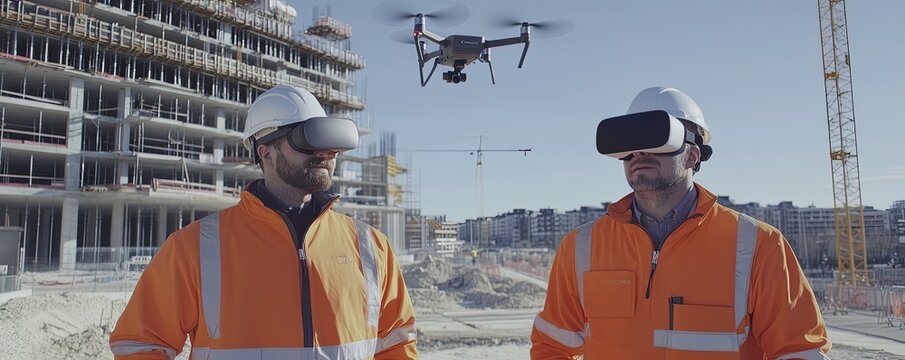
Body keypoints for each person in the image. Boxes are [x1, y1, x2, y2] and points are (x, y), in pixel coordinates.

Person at [110, 85, 418, 359]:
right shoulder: (194, 248)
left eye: (329, 142)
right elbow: (140, 344)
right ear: (265, 152)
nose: (324, 154)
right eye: (306, 141)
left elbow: (395, 345)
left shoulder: (371, 246)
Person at [531, 87, 830, 359]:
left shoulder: (758, 246)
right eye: (630, 142)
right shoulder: (581, 247)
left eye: (656, 138)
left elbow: (800, 351)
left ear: (692, 156)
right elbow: (551, 346)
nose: (640, 153)